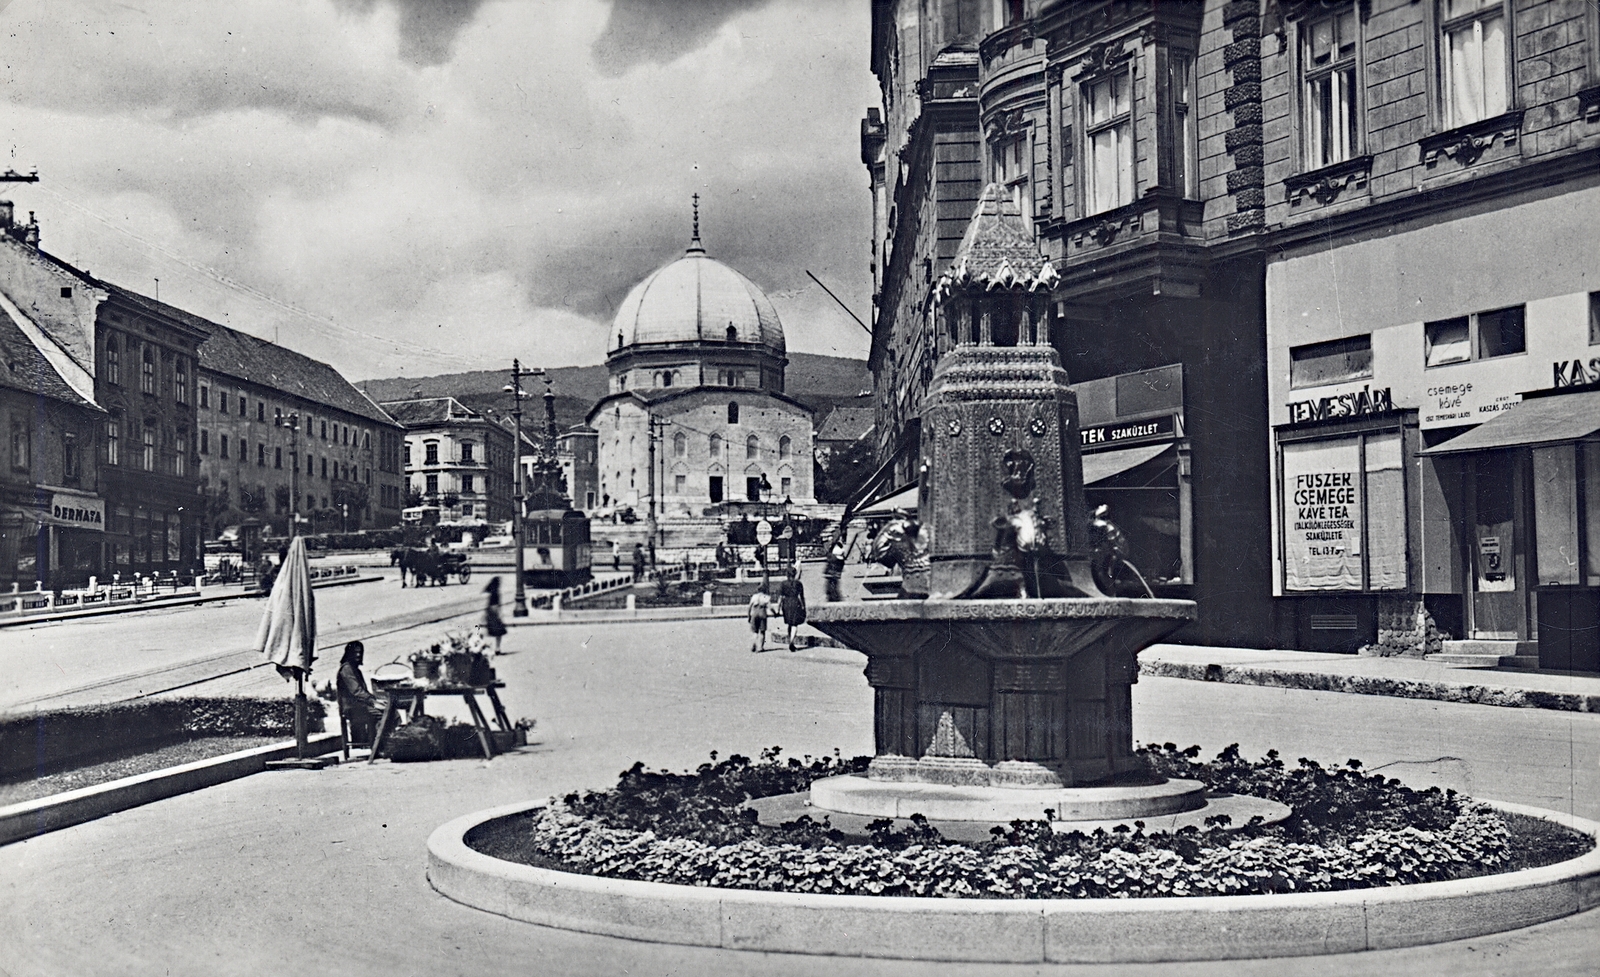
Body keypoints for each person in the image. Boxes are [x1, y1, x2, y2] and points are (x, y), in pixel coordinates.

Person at [336, 641, 387, 746]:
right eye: (355, 652)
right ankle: (377, 745)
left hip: (361, 705)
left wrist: (377, 700)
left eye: (360, 652)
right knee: (381, 714)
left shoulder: (356, 670)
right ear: (349, 653)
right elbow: (357, 691)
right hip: (351, 707)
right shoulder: (346, 669)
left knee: (388, 710)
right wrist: (373, 702)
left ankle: (379, 743)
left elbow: (364, 691)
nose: (358, 655)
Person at [778, 564, 807, 652]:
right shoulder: (799, 583)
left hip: (786, 604)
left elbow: (780, 597)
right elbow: (802, 597)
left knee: (789, 623)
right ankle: (791, 641)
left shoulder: (783, 584)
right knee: (795, 624)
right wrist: (803, 607)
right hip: (795, 603)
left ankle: (791, 642)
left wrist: (778, 609)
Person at [483, 576, 507, 654]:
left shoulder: (491, 592)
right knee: (499, 632)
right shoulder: (496, 593)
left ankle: (494, 648)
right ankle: (497, 648)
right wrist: (500, 614)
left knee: (493, 631)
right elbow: (496, 605)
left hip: (490, 613)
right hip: (494, 613)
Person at [747, 586, 771, 653]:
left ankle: (754, 643)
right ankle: (760, 647)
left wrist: (749, 615)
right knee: (762, 631)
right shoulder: (766, 597)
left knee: (755, 631)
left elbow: (749, 607)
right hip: (762, 612)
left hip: (755, 613)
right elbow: (770, 607)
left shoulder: (754, 597)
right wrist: (775, 613)